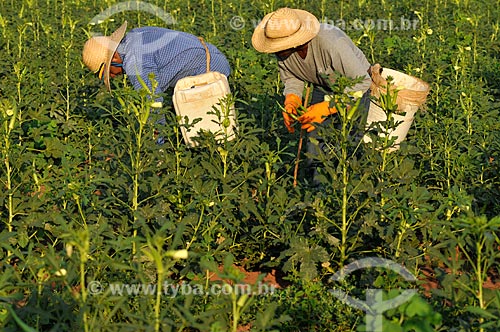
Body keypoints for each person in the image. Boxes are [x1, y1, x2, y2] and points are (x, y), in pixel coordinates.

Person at [251, 8, 372, 183]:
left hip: (353, 88)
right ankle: (319, 193)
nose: (275, 52)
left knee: (349, 144)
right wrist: (292, 98)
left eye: (279, 47)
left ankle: (350, 191)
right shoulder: (283, 53)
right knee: (316, 143)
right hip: (323, 85)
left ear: (294, 42)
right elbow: (292, 75)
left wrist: (328, 107)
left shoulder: (331, 43)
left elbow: (362, 82)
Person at [82, 21, 231, 102]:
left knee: (205, 131)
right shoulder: (135, 35)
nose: (113, 77)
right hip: (215, 57)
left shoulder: (134, 61)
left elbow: (153, 101)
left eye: (108, 71)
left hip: (206, 71)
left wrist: (157, 146)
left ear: (113, 58)